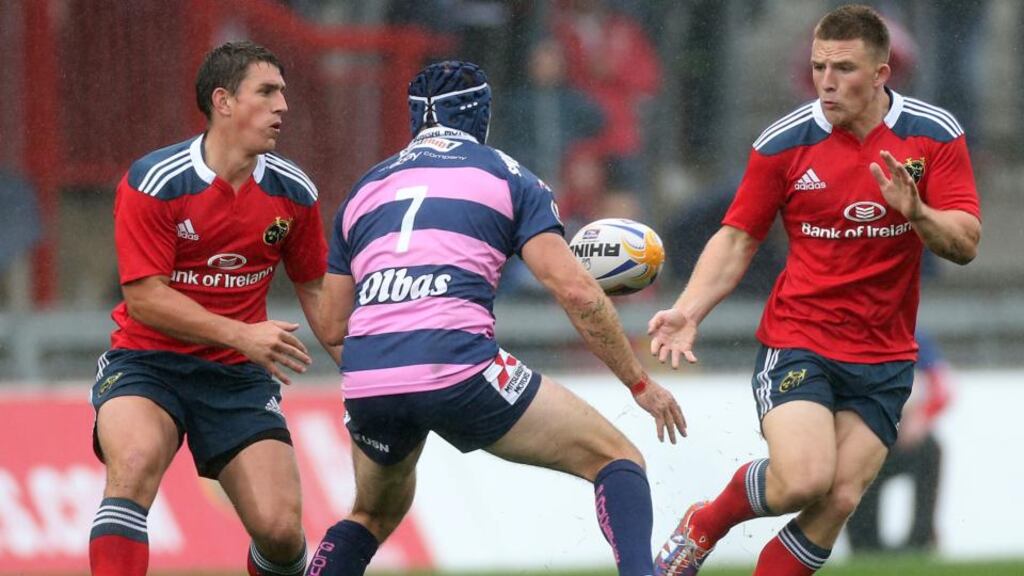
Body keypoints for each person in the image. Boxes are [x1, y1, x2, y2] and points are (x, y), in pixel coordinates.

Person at [304, 60, 686, 576]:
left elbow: (330, 325)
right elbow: (577, 292)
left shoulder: (362, 191)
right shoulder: (507, 175)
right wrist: (640, 384)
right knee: (617, 459)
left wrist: (395, 371)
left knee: (371, 513)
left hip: (370, 377)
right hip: (459, 364)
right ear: (481, 113)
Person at [648, 5, 981, 575]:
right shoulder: (786, 142)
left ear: (881, 73)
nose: (826, 81)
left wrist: (917, 212)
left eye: (844, 68)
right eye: (819, 66)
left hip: (887, 354)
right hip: (802, 339)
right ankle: (706, 523)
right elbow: (735, 239)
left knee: (841, 498)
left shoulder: (932, 135)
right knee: (802, 480)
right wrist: (689, 310)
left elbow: (966, 241)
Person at [89, 41, 336, 576]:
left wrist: (368, 375)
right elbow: (145, 297)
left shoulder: (293, 192)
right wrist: (243, 335)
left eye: (284, 94)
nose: (283, 107)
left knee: (280, 530)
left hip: (237, 380)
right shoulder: (156, 182)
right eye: (267, 92)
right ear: (223, 101)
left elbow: (316, 291)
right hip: (148, 364)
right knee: (131, 469)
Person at [845, 329, 952, 553]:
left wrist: (922, 416)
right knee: (857, 461)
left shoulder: (914, 337)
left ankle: (920, 540)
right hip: (864, 430)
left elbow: (942, 388)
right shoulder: (851, 336)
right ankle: (866, 545)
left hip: (902, 434)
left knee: (931, 450)